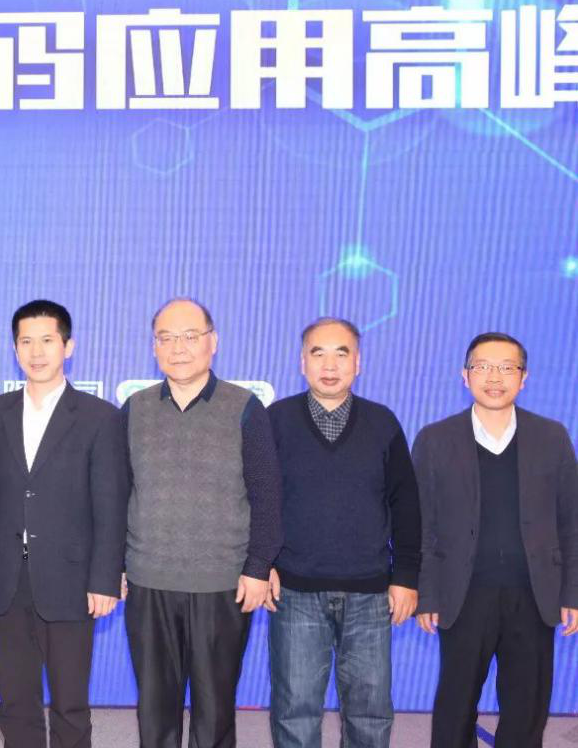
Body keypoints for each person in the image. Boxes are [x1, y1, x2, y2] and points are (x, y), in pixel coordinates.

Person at [122, 298, 282, 748]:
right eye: (167, 338)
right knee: (155, 710)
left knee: (214, 710)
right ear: (154, 347)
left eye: (190, 336)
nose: (179, 347)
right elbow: (117, 493)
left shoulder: (244, 407)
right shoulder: (134, 409)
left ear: (214, 342)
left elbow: (267, 494)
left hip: (222, 583)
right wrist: (115, 565)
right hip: (149, 580)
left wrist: (258, 566)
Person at [0, 300, 128, 748]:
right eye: (26, 342)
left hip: (72, 578)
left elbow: (111, 504)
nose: (36, 352)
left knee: (70, 702)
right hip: (7, 576)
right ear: (14, 349)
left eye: (47, 340)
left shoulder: (100, 416)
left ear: (68, 346)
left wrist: (105, 579)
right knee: (14, 701)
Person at [414, 332, 578, 747]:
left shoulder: (552, 437)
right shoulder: (435, 439)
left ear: (524, 378)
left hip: (534, 592)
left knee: (527, 707)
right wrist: (426, 594)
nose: (494, 377)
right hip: (463, 592)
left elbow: (571, 521)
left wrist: (572, 592)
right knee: (456, 704)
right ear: (464, 375)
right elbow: (421, 524)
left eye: (507, 368)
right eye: (483, 366)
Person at [263, 317, 420, 748]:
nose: (329, 365)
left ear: (358, 363)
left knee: (370, 711)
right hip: (294, 591)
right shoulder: (275, 420)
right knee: (295, 709)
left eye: (341, 353)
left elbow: (406, 505)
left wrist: (406, 576)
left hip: (370, 592)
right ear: (302, 362)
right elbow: (257, 500)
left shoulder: (382, 423)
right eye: (318, 353)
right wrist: (262, 563)